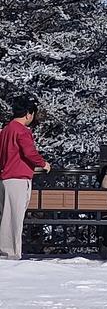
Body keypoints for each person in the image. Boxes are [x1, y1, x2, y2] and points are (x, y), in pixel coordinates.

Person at [0, 95, 51, 260]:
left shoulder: (6, 130)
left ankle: (7, 251)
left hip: (6, 177)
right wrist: (43, 164)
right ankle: (11, 253)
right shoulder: (22, 131)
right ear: (29, 114)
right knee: (14, 218)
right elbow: (30, 153)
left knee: (6, 216)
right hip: (18, 178)